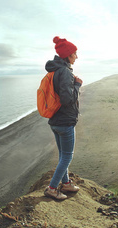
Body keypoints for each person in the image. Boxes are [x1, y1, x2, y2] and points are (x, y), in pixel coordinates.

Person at [43, 36, 83, 200]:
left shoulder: (55, 71)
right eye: (74, 53)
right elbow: (67, 99)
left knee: (62, 155)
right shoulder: (65, 72)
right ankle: (52, 188)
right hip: (65, 122)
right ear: (67, 55)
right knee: (67, 156)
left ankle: (66, 184)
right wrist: (77, 85)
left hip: (55, 120)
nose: (76, 57)